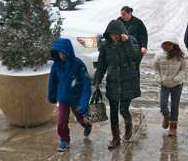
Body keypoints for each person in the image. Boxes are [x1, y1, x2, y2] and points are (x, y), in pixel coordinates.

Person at [93, 20, 141, 150]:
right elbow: (102, 65)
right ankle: (115, 138)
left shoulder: (131, 41)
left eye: (116, 34)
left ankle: (128, 125)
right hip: (113, 82)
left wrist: (126, 42)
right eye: (111, 34)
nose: (114, 36)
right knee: (113, 112)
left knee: (123, 109)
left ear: (121, 33)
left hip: (128, 82)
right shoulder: (105, 46)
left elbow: (136, 57)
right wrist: (97, 81)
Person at [47, 38, 92, 152]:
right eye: (59, 53)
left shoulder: (78, 64)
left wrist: (84, 103)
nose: (61, 55)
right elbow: (53, 81)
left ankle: (87, 125)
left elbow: (86, 83)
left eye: (62, 52)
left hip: (76, 98)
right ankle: (64, 140)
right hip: (63, 98)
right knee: (62, 121)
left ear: (68, 51)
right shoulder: (56, 65)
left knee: (81, 118)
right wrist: (52, 95)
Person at [154, 36, 186, 136]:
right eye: (165, 44)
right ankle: (166, 116)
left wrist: (177, 78)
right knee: (163, 104)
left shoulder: (180, 56)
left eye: (169, 44)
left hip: (177, 84)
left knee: (174, 106)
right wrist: (159, 79)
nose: (166, 46)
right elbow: (156, 69)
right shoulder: (158, 56)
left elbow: (184, 69)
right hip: (164, 84)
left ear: (174, 45)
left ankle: (172, 127)